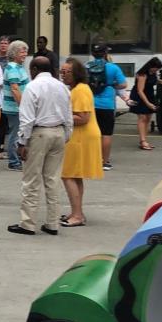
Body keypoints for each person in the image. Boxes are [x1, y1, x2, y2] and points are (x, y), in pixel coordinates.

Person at [9, 55, 72, 237]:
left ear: (34, 69)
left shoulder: (32, 87)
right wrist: (66, 135)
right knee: (52, 179)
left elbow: (27, 118)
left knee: (31, 180)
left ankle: (28, 223)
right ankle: (52, 223)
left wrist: (22, 142)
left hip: (39, 133)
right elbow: (68, 114)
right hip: (58, 132)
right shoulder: (62, 87)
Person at [59, 58, 103, 228]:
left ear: (76, 73)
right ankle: (77, 212)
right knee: (74, 175)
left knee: (68, 174)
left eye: (66, 72)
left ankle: (77, 215)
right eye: (61, 71)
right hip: (81, 136)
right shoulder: (77, 89)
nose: (63, 75)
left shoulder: (80, 91)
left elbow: (83, 118)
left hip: (81, 137)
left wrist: (60, 117)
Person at [85, 44, 127, 170]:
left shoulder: (86, 66)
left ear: (93, 53)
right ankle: (105, 162)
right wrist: (112, 85)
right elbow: (123, 84)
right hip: (107, 105)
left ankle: (91, 159)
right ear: (105, 53)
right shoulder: (113, 68)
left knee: (91, 133)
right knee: (106, 134)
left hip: (90, 103)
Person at [0, 40, 30, 171]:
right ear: (14, 53)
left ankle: (16, 159)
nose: (25, 54)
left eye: (26, 51)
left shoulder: (17, 67)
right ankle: (13, 161)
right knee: (15, 134)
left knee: (18, 133)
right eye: (22, 51)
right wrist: (23, 106)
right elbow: (15, 89)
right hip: (14, 107)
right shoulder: (12, 67)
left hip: (16, 106)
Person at [126, 57, 162, 150]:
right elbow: (140, 90)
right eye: (156, 68)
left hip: (149, 94)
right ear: (151, 66)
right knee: (142, 117)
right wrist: (148, 103)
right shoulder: (142, 74)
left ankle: (145, 139)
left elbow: (154, 81)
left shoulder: (153, 73)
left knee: (148, 118)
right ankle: (143, 141)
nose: (157, 70)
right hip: (140, 96)